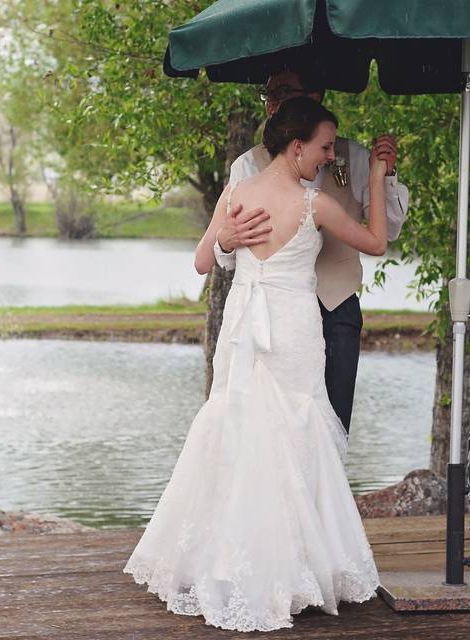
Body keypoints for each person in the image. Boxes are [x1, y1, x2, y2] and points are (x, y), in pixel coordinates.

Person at [125, 97, 382, 632]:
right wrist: (377, 175)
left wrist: (223, 240)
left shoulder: (239, 193)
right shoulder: (314, 204)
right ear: (296, 147)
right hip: (286, 329)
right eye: (325, 146)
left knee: (241, 428)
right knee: (292, 431)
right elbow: (376, 242)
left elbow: (202, 261)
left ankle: (234, 563)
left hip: (244, 328)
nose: (329, 156)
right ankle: (291, 569)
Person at [211, 67, 409, 433]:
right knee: (261, 425)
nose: (272, 102)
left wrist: (386, 177)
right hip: (269, 315)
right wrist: (226, 239)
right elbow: (219, 252)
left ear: (314, 95)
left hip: (336, 310)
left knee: (330, 424)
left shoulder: (353, 156)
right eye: (268, 94)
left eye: (282, 91)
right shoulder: (246, 167)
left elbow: (389, 231)